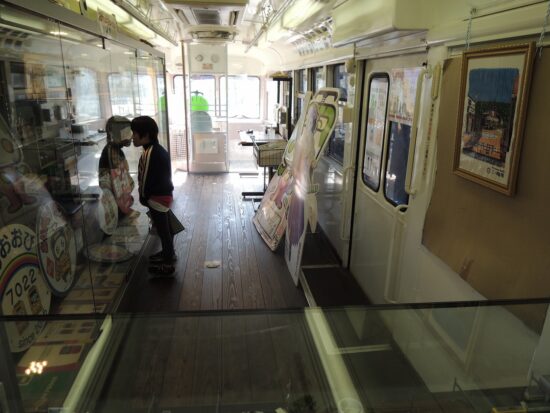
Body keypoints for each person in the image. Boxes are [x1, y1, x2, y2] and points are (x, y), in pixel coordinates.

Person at [131, 116, 176, 276]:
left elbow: (145, 178)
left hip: (157, 198)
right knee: (165, 229)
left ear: (146, 135)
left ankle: (168, 263)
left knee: (163, 231)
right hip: (163, 196)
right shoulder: (156, 149)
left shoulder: (150, 153)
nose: (132, 137)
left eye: (135, 133)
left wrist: (143, 197)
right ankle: (168, 253)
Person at [98, 116, 135, 217]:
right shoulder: (111, 150)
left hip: (118, 197)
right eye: (126, 132)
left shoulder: (115, 149)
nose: (130, 136)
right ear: (117, 133)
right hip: (115, 199)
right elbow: (116, 180)